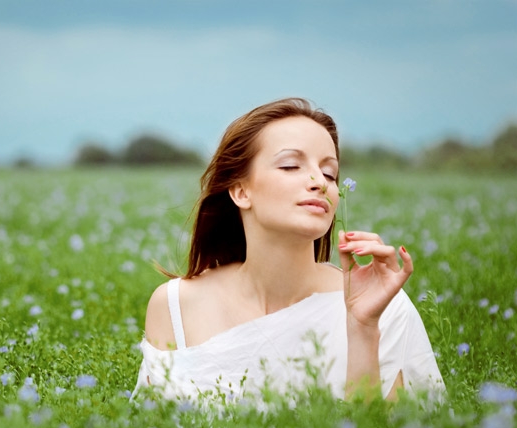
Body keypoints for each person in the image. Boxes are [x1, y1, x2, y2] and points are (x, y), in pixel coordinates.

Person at [132, 97, 444, 403]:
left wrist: (363, 328)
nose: (318, 183)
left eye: (329, 173)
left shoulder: (381, 303)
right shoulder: (174, 305)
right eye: (291, 165)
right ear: (241, 191)